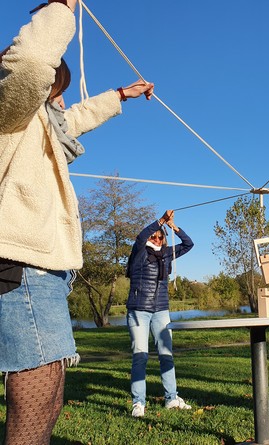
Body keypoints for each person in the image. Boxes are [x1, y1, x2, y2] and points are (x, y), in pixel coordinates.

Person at [0, 1, 154, 443]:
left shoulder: (39, 124)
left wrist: (120, 96)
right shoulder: (10, 111)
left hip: (43, 269)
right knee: (34, 401)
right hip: (21, 264)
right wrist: (62, 7)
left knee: (49, 397)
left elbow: (74, 120)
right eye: (57, 88)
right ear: (40, 88)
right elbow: (29, 60)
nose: (63, 100)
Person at [126, 210, 194, 417]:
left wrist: (173, 227)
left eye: (160, 236)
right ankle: (138, 403)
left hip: (161, 311)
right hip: (139, 311)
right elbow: (140, 237)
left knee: (166, 355)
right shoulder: (139, 253)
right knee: (140, 356)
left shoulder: (166, 253)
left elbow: (189, 244)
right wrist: (160, 221)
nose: (156, 238)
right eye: (153, 235)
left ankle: (171, 398)